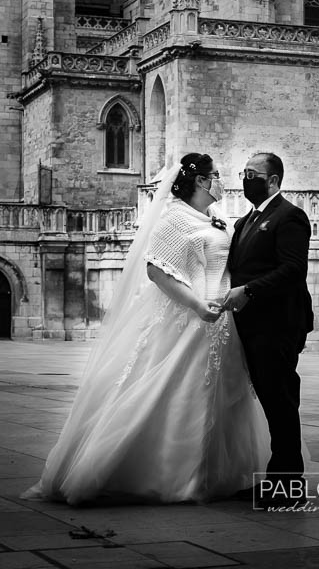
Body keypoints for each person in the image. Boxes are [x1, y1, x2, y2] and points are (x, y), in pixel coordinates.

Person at [22, 155, 267, 505]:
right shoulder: (174, 218)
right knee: (177, 390)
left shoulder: (215, 218)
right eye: (215, 175)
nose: (220, 181)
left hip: (222, 323)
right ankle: (171, 474)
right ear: (199, 182)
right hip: (188, 317)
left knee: (221, 394)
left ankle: (215, 473)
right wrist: (197, 305)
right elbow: (157, 271)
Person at [215, 152, 314, 508]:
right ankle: (276, 480)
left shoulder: (290, 217)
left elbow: (293, 270)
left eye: (252, 174)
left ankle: (288, 487)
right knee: (270, 401)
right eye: (243, 173)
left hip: (278, 325)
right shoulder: (245, 222)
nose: (245, 179)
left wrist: (251, 290)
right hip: (251, 326)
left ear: (272, 180)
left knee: (281, 401)